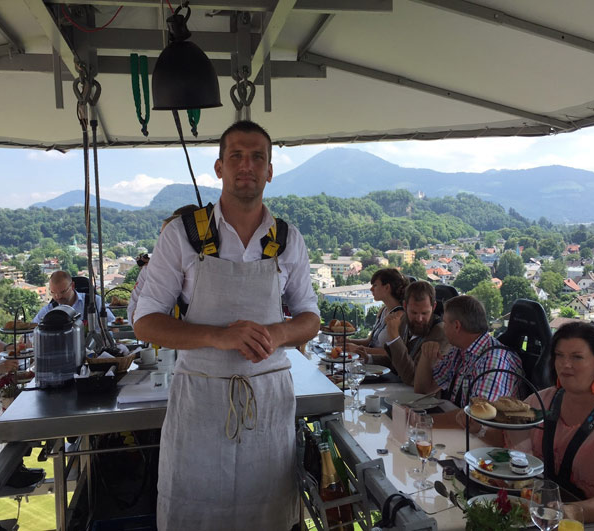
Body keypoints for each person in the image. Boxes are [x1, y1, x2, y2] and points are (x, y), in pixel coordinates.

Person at [133, 120, 320, 530]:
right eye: (236, 156)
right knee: (194, 515)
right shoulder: (182, 235)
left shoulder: (288, 239)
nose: (246, 165)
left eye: (257, 157)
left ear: (270, 170)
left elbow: (310, 316)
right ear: (219, 167)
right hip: (199, 404)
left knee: (267, 517)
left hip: (268, 404)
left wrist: (278, 332)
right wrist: (217, 336)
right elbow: (145, 323)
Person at [474, 322, 594, 529]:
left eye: (577, 357)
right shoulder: (545, 399)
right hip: (537, 515)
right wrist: (477, 426)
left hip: (590, 524)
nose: (565, 364)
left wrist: (569, 511)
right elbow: (505, 436)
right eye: (559, 355)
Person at [415, 295, 523, 407]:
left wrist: (426, 418)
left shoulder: (493, 362)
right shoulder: (459, 350)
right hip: (458, 417)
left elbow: (478, 415)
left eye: (445, 323)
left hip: (476, 418)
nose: (443, 327)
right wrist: (426, 354)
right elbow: (423, 390)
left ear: (456, 326)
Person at [365, 281, 450, 385]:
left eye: (424, 313)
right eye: (414, 312)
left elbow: (412, 378)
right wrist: (368, 358)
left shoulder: (441, 333)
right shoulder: (404, 321)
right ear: (405, 306)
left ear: (434, 306)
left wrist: (394, 339)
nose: (419, 319)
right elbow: (396, 361)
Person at [127, 205, 196, 325]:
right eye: (162, 235)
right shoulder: (148, 271)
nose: (163, 243)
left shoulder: (206, 268)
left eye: (168, 237)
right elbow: (134, 317)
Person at [344, 268, 407, 357]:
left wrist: (357, 349)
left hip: (380, 365)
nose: (371, 289)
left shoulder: (399, 316)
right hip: (369, 360)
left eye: (375, 285)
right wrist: (347, 342)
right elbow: (370, 342)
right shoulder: (383, 310)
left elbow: (392, 353)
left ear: (387, 288)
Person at [33, 271, 114, 324]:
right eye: (53, 293)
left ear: (72, 286)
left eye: (62, 292)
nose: (58, 297)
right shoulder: (48, 311)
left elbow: (113, 324)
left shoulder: (95, 302)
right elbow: (31, 333)